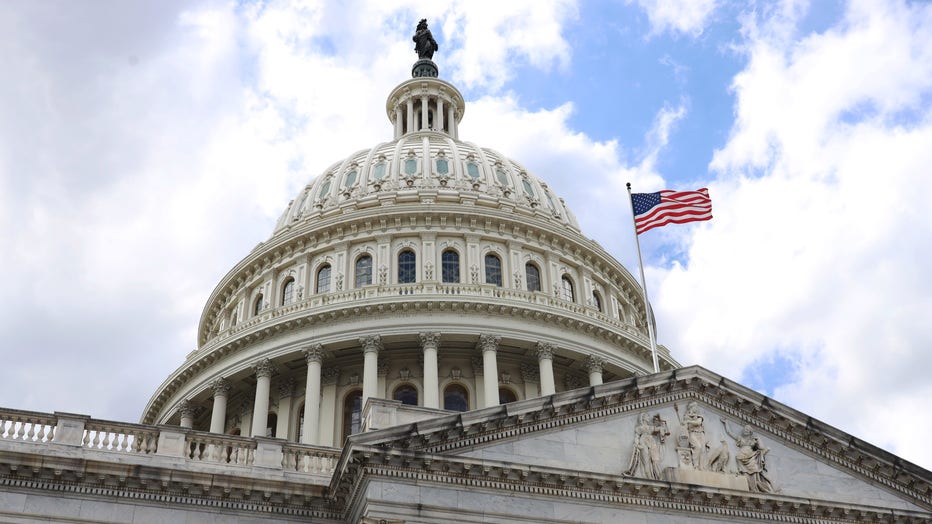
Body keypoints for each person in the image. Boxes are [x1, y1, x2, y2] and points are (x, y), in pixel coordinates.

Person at [721, 419, 774, 492]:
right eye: (744, 429)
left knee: (754, 471)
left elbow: (761, 448)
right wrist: (726, 423)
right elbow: (729, 432)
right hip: (741, 458)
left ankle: (754, 486)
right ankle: (749, 485)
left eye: (747, 429)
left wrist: (758, 440)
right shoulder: (740, 438)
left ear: (750, 432)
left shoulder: (754, 440)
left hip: (751, 458)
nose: (745, 430)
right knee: (745, 473)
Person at [624, 413, 668, 480]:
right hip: (643, 443)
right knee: (646, 461)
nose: (649, 417)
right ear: (643, 418)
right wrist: (636, 444)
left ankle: (657, 476)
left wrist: (662, 424)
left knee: (655, 460)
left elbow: (660, 429)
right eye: (647, 416)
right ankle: (649, 477)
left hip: (652, 443)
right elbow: (637, 437)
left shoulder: (651, 427)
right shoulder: (639, 428)